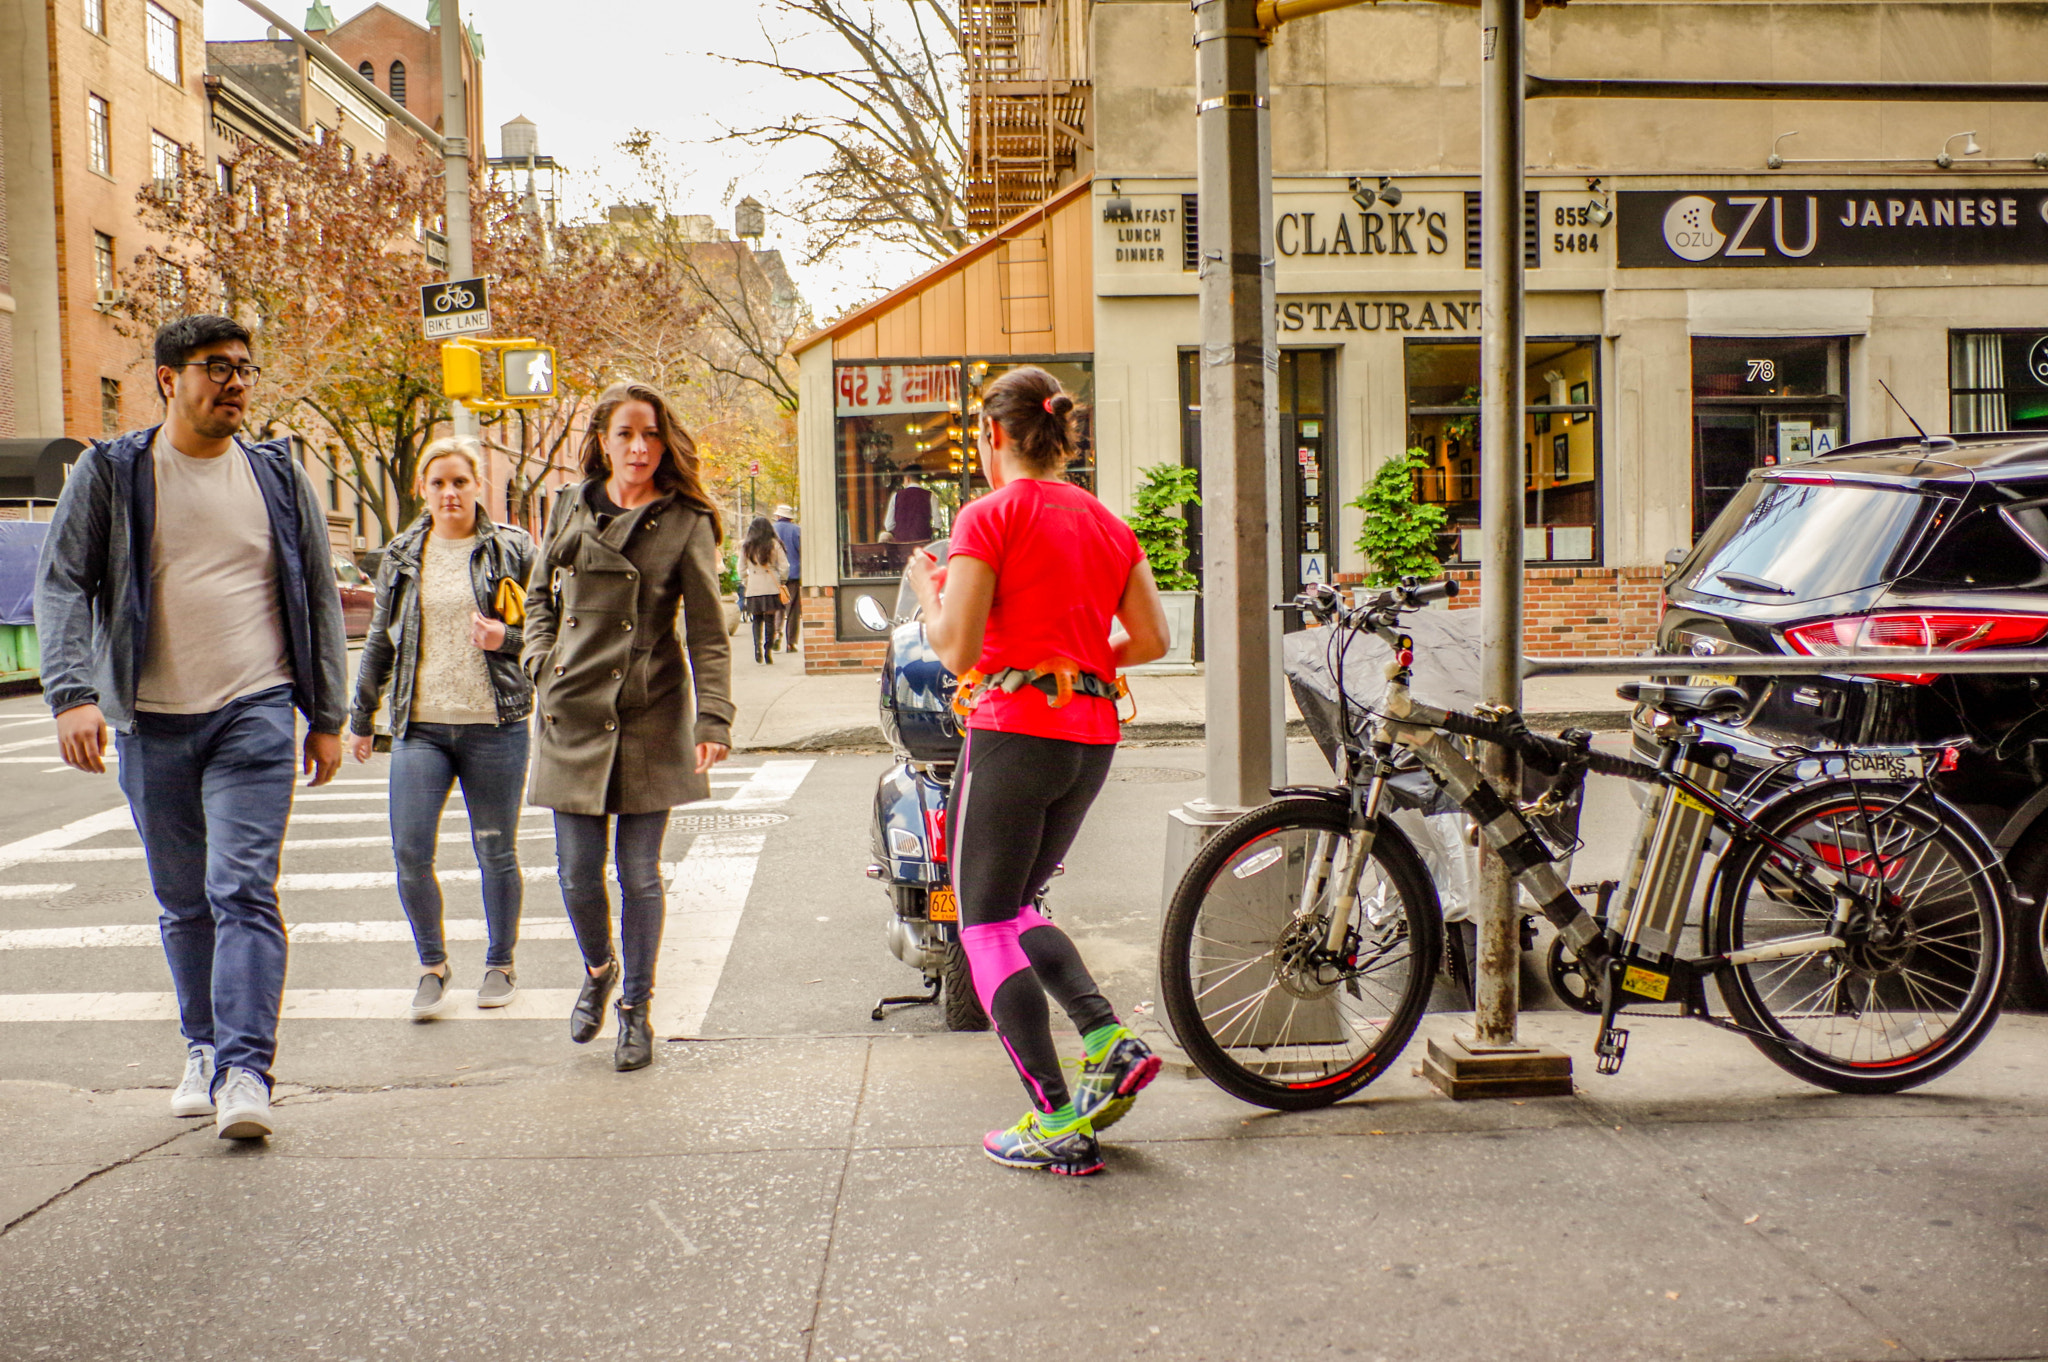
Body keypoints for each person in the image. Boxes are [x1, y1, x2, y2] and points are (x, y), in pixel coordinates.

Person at [35, 314, 348, 1141]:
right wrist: (73, 693)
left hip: (255, 712)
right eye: (218, 367)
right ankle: (203, 1047)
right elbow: (63, 582)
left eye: (246, 367)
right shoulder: (114, 472)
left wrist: (327, 715)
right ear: (169, 379)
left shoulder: (278, 475)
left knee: (241, 888)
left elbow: (316, 593)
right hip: (154, 722)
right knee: (184, 902)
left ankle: (246, 1069)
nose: (237, 381)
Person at [906, 366, 1172, 1175]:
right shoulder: (1106, 523)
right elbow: (1154, 639)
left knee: (981, 924)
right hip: (1089, 737)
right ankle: (1106, 1038)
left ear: (993, 436)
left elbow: (954, 648)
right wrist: (1082, 660)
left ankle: (1057, 1118)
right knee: (1018, 905)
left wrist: (927, 588)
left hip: (1013, 730)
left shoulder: (988, 517)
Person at [523, 382, 734, 1072]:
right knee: (578, 873)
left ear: (664, 442)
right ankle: (598, 967)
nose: (639, 447)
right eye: (625, 434)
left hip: (647, 710)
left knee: (638, 874)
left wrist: (715, 716)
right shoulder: (570, 505)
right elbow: (538, 595)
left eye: (650, 434)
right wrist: (538, 661)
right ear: (603, 441)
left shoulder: (685, 520)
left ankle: (635, 1010)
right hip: (572, 708)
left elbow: (707, 632)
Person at [347, 439, 536, 1019]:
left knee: (496, 850)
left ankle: (500, 964)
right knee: (409, 851)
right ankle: (433, 966)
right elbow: (381, 638)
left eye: (459, 481)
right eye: (438, 484)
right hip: (420, 726)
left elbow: (556, 628)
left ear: (478, 485)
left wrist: (506, 639)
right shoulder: (402, 556)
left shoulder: (514, 549)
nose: (449, 493)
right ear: (422, 491)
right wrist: (360, 718)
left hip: (495, 724)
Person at [738, 515, 789, 666]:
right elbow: (784, 566)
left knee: (757, 620)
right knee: (770, 619)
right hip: (771, 586)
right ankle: (768, 650)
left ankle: (757, 648)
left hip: (754, 586)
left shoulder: (746, 546)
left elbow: (741, 569)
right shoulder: (774, 544)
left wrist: (747, 581)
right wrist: (782, 580)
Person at [772, 505, 802, 653]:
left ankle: (776, 633)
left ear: (777, 516)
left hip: (774, 576)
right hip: (794, 574)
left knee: (777, 606)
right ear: (790, 517)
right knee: (792, 609)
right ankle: (791, 643)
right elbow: (802, 551)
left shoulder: (770, 530)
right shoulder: (797, 530)